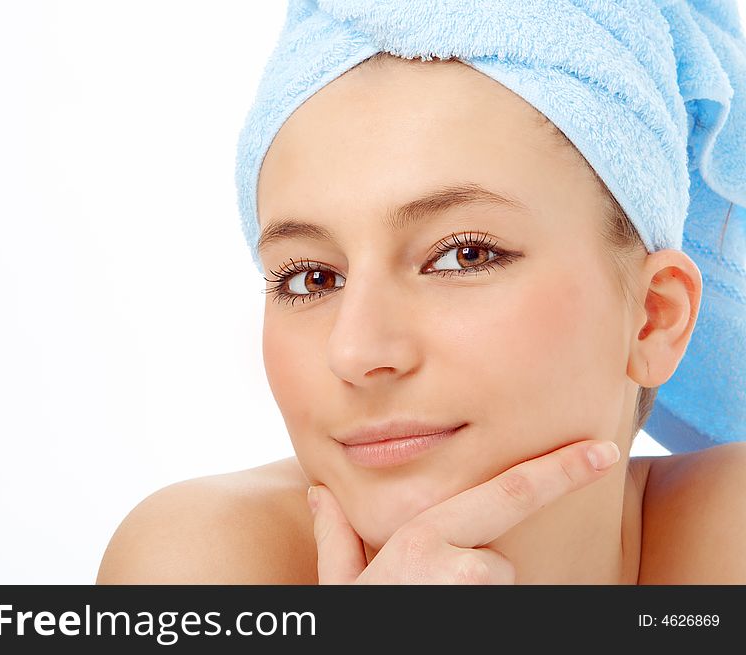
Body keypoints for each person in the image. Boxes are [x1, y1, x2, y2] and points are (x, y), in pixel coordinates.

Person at [96, 2, 746, 584]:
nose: (355, 350)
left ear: (652, 318)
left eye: (463, 255)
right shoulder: (201, 568)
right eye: (311, 278)